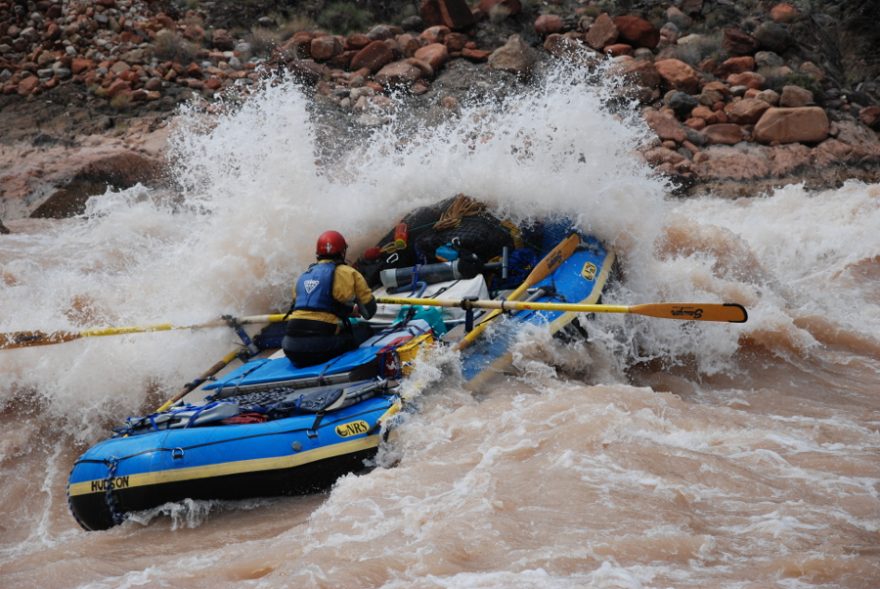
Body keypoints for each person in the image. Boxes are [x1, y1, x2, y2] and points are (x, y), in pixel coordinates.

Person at [282, 230, 378, 367]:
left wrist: (348, 310)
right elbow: (369, 312)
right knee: (364, 331)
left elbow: (315, 307)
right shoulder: (349, 273)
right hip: (318, 348)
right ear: (342, 251)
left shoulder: (303, 276)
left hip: (290, 348)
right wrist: (357, 309)